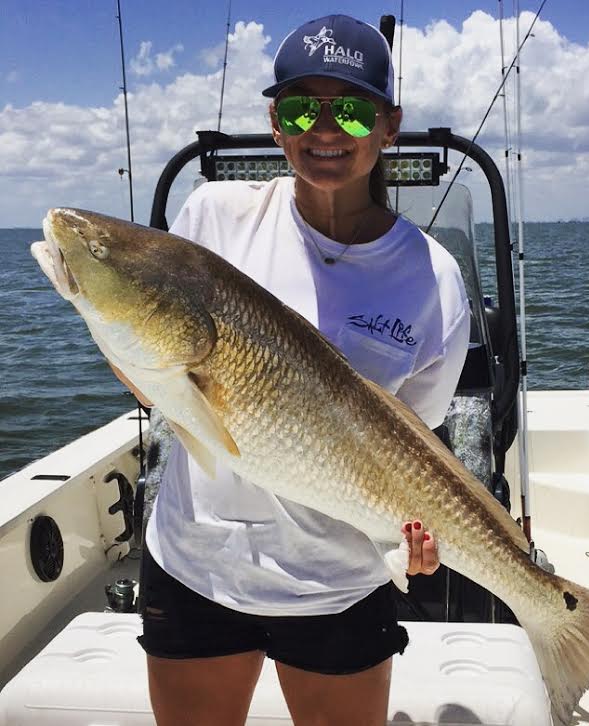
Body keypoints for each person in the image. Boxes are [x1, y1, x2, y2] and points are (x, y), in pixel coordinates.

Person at [124, 14, 470, 726]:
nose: (324, 129)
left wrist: (422, 540)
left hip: (336, 588)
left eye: (349, 107)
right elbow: (159, 376)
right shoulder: (213, 218)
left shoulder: (431, 279)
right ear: (275, 123)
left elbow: (411, 446)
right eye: (299, 107)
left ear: (388, 124)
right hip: (196, 568)